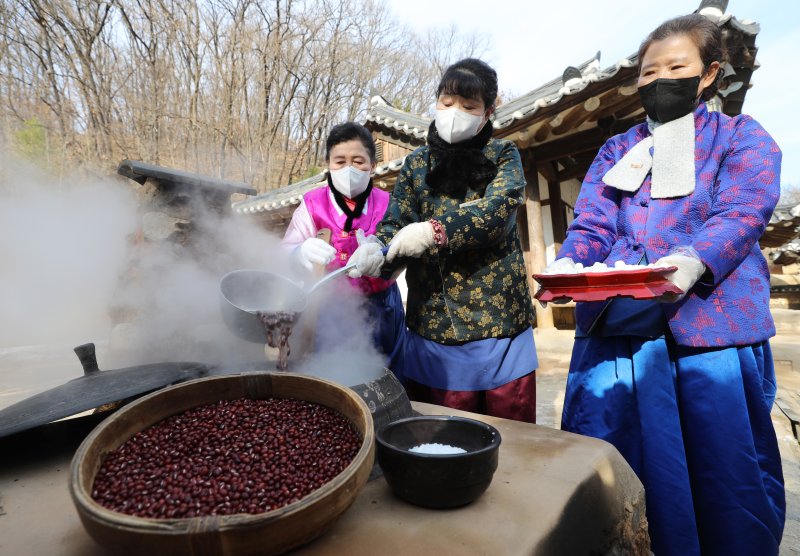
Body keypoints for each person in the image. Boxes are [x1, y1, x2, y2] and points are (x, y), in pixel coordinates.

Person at [547, 14, 785, 556]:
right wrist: (569, 263)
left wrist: (695, 259)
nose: (659, 80)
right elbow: (592, 224)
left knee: (722, 467)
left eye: (676, 67)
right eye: (648, 71)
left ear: (709, 73)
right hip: (620, 325)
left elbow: (743, 210)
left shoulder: (742, 136)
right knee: (615, 460)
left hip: (708, 328)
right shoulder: (618, 148)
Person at [349, 58, 537, 423]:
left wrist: (433, 231)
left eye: (469, 106)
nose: (455, 113)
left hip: (497, 325)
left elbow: (497, 212)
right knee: (436, 435)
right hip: (432, 321)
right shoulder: (417, 163)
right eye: (447, 103)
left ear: (488, 111)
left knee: (509, 441)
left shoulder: (502, 155)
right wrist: (377, 249)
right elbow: (396, 221)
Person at [282, 122, 405, 381]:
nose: (349, 168)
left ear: (372, 165)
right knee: (332, 379)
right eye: (340, 161)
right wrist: (298, 253)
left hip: (382, 308)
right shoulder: (312, 205)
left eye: (358, 161)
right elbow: (284, 253)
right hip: (329, 309)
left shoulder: (388, 204)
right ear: (328, 163)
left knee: (386, 378)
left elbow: (404, 251)